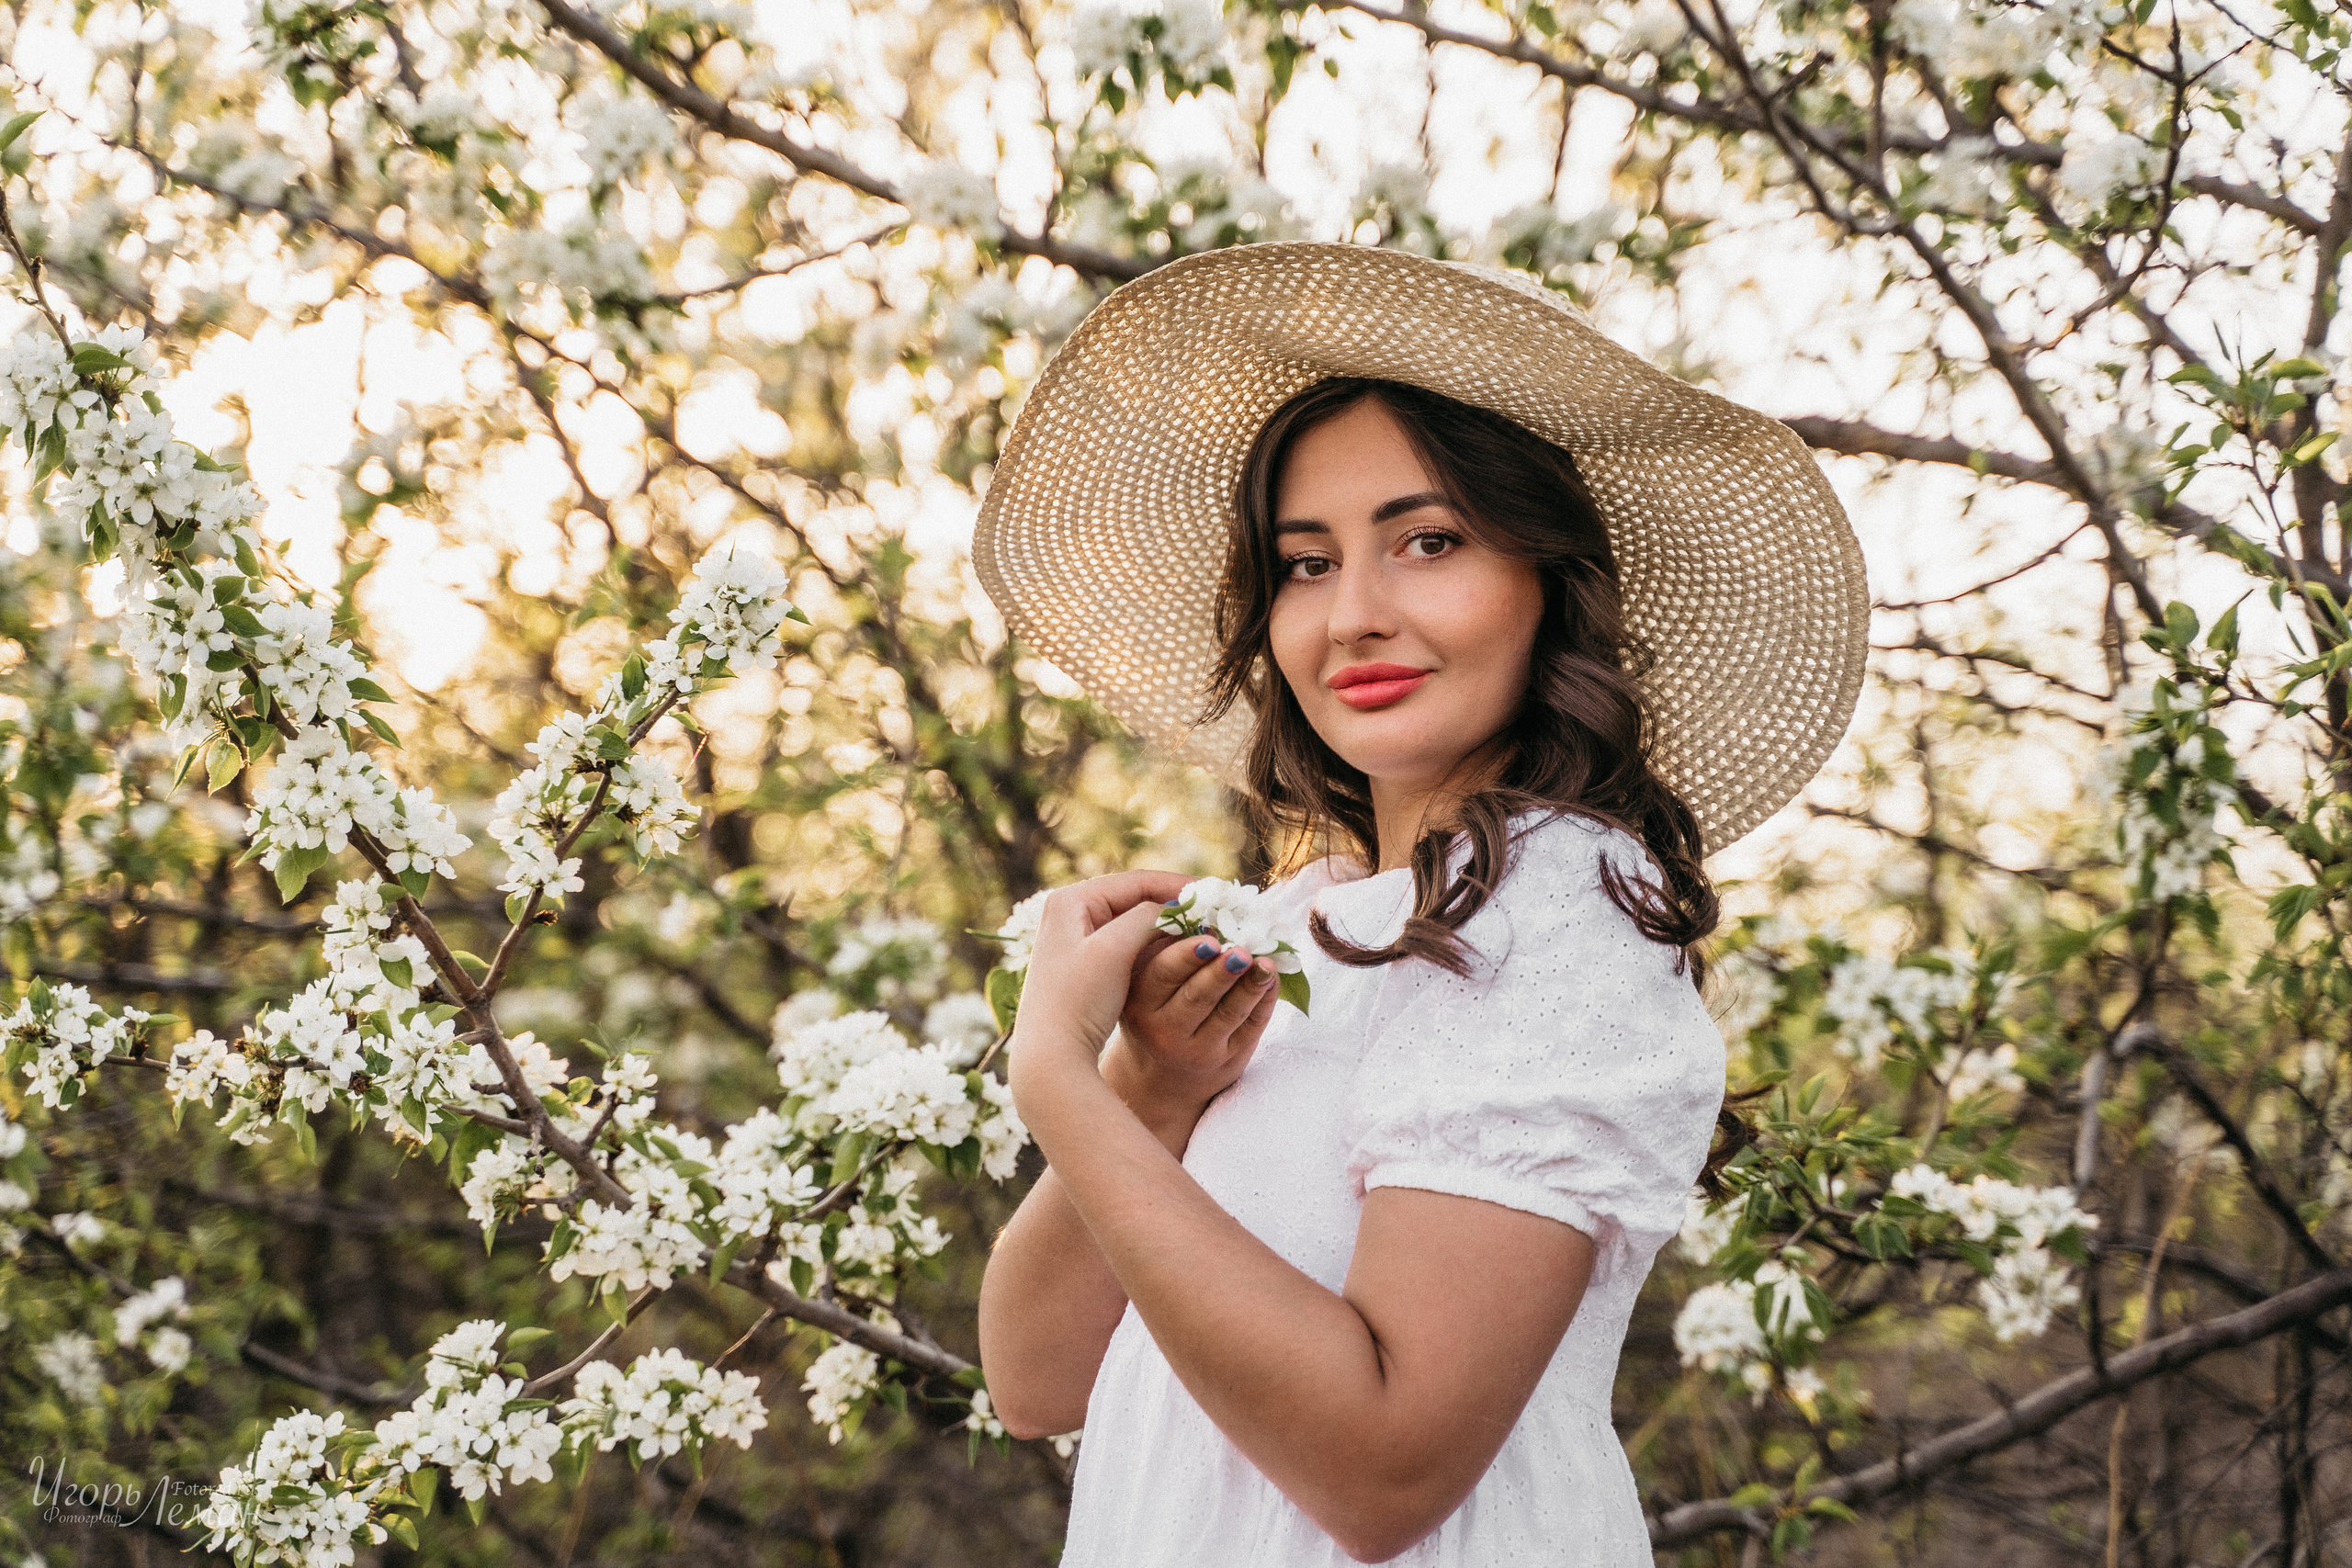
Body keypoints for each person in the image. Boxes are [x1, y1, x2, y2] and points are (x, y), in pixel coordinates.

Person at [968, 243, 1868, 1566]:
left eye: (1428, 542)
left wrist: (1053, 1079)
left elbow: (1384, 1471)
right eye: (1305, 563)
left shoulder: (1560, 919)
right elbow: (1035, 1380)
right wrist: (1146, 1093)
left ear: (1549, 583)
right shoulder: (1305, 929)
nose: (1354, 616)